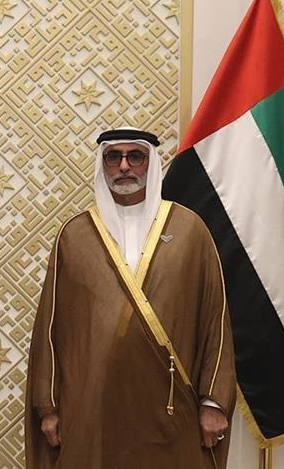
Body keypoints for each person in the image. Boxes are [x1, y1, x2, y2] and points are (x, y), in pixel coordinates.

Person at [24, 127, 236, 468]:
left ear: (151, 164)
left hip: (169, 406)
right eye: (114, 157)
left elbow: (215, 319)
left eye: (135, 156)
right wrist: (47, 406)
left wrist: (214, 401)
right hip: (91, 406)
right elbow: (50, 328)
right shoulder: (75, 235)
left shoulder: (189, 230)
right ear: (103, 164)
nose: (124, 166)